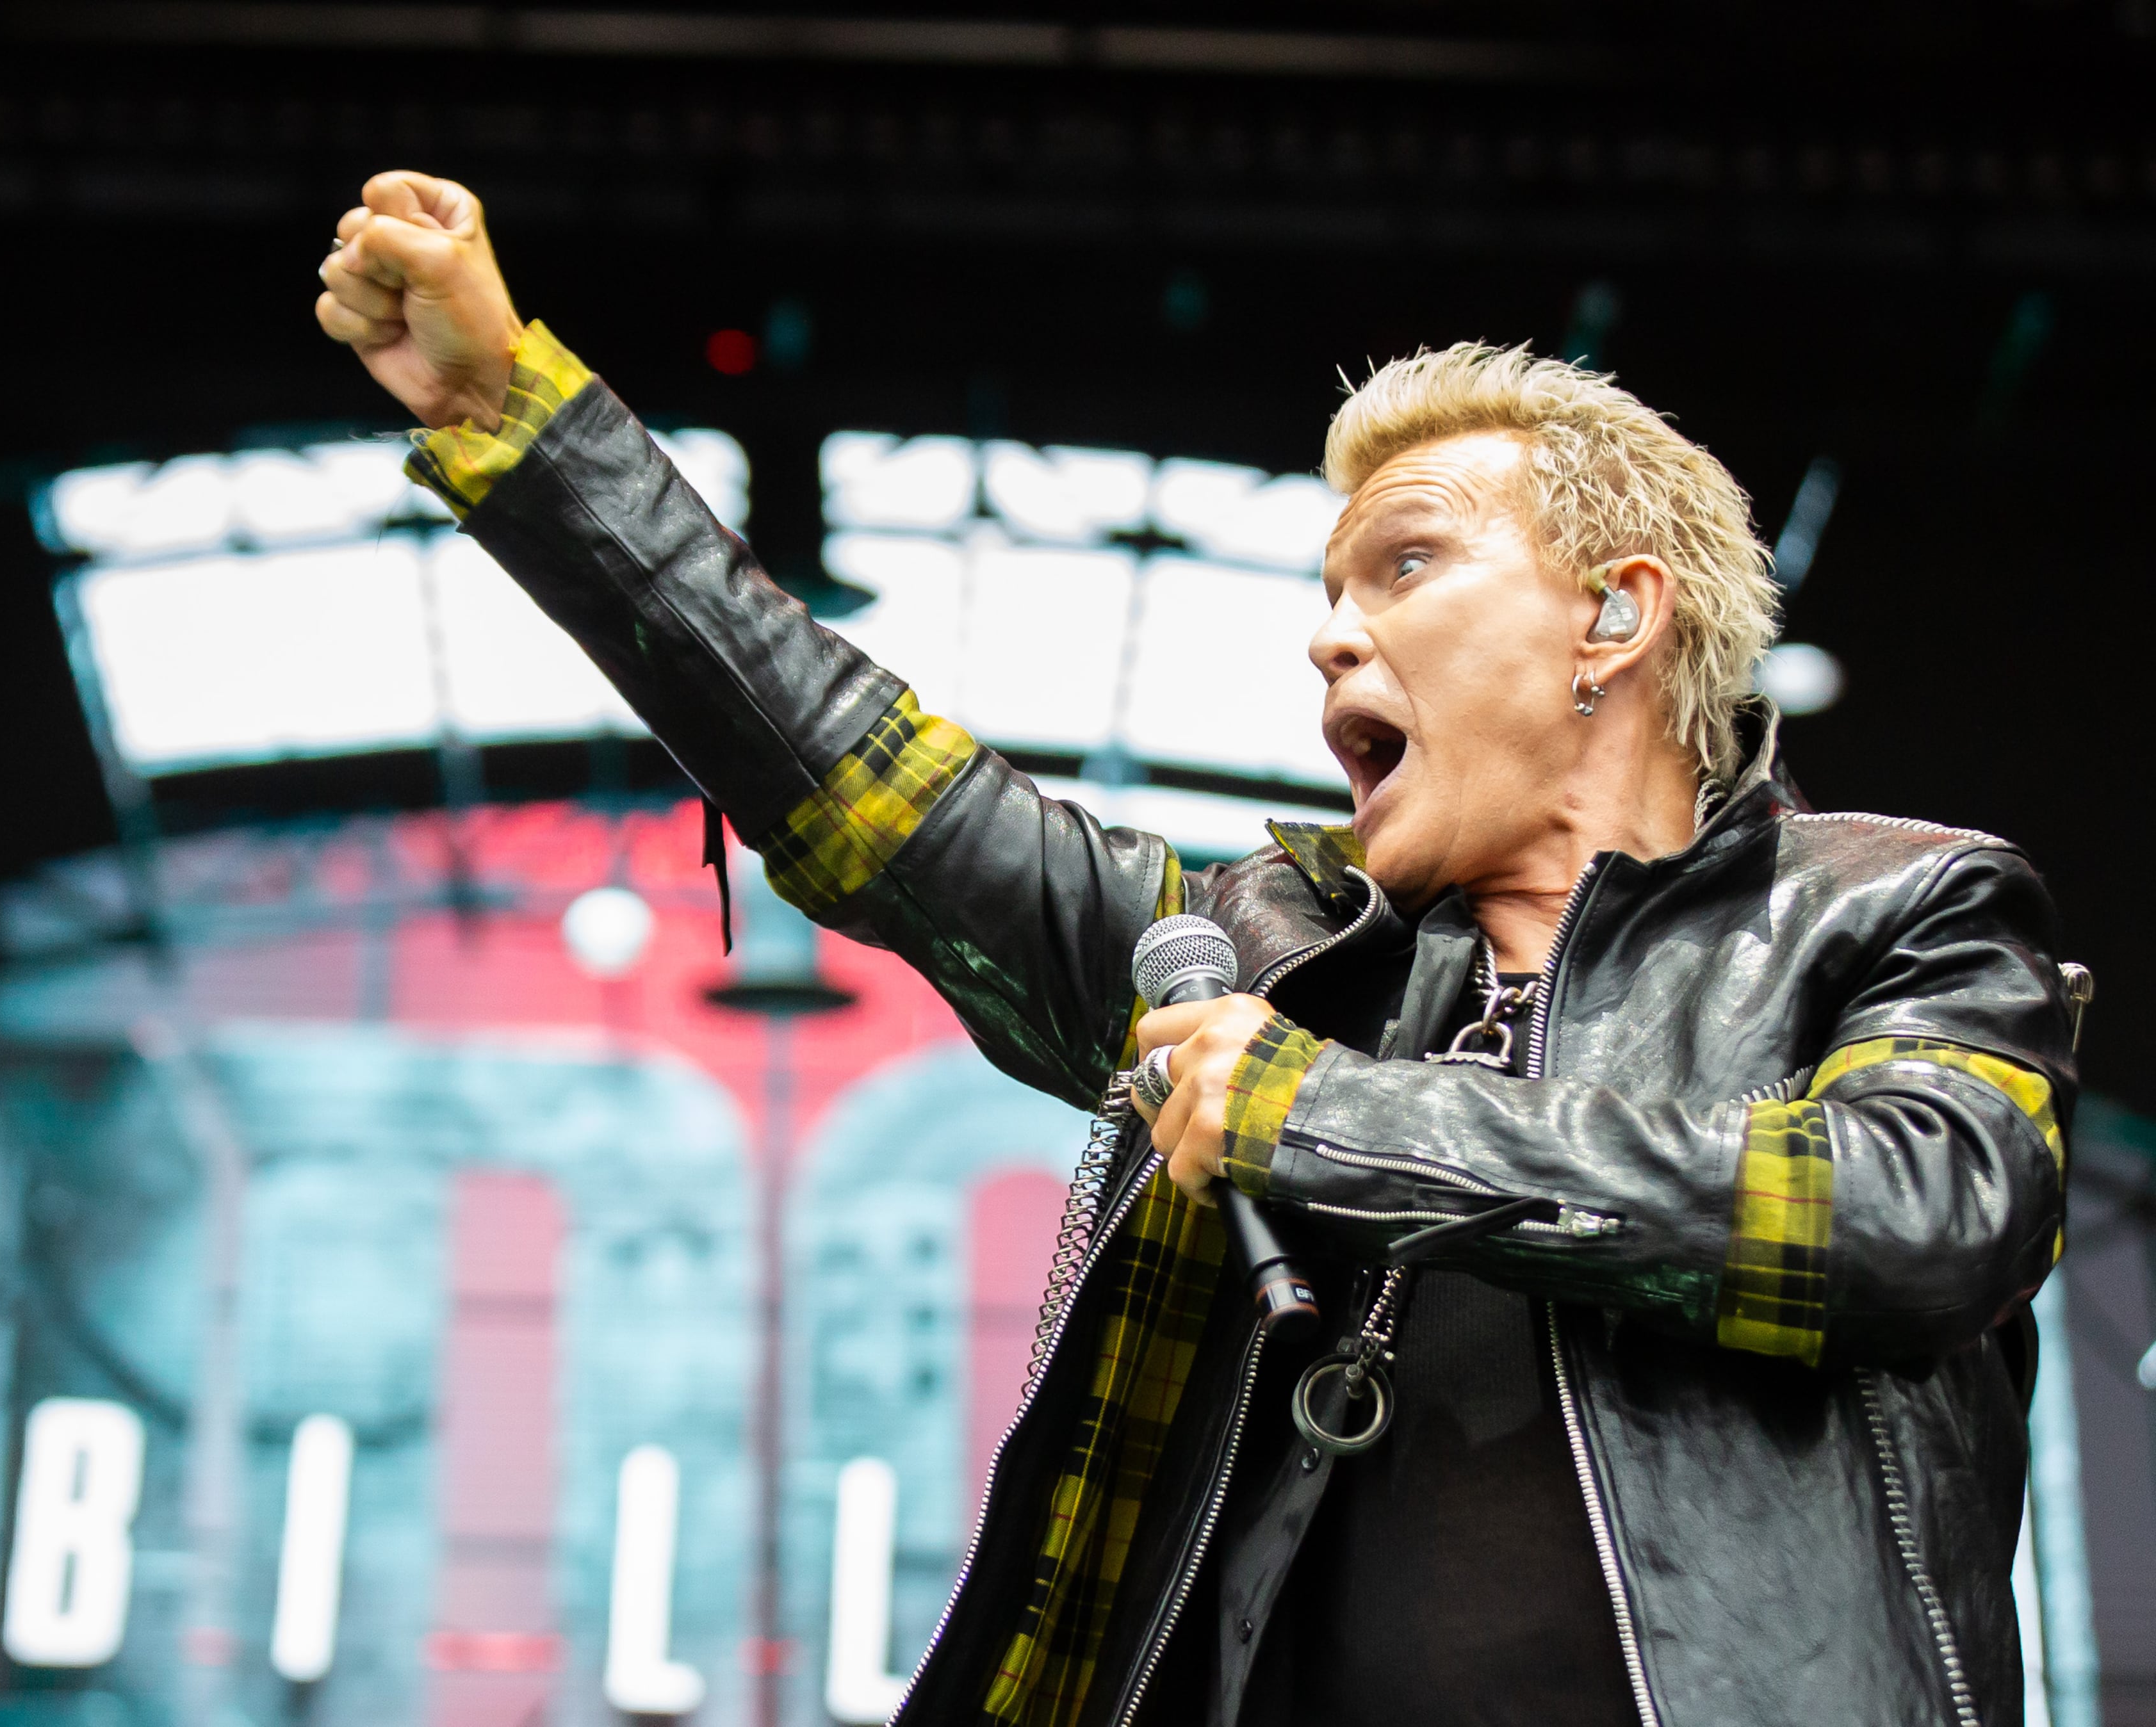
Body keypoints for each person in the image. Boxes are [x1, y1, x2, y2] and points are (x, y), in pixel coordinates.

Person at [316, 170, 2081, 1727]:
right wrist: (514, 422)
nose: (1330, 641)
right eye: (1327, 595)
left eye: (1402, 567)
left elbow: (1910, 1217)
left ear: (1613, 615)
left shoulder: (1896, 904)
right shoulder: (1258, 952)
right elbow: (865, 785)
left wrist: (1322, 1122)